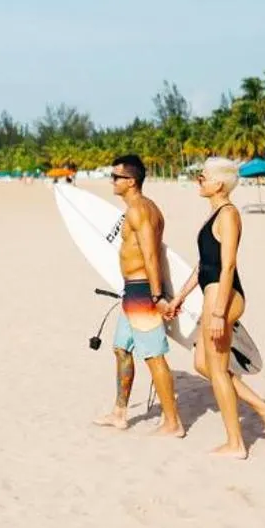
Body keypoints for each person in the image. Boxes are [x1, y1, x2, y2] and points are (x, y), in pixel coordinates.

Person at [168, 157, 265, 458]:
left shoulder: (229, 215)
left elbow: (228, 263)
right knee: (203, 364)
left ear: (218, 184)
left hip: (223, 295)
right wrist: (180, 297)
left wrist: (219, 311)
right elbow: (205, 264)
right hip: (212, 292)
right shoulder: (214, 214)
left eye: (202, 177)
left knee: (218, 370)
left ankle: (236, 443)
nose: (199, 181)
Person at [94, 154, 183, 436]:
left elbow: (150, 254)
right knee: (121, 348)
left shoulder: (139, 211)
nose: (112, 181)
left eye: (116, 177)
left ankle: (173, 422)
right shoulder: (143, 208)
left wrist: (157, 298)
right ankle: (120, 413)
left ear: (130, 181)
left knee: (153, 356)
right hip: (132, 291)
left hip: (143, 292)